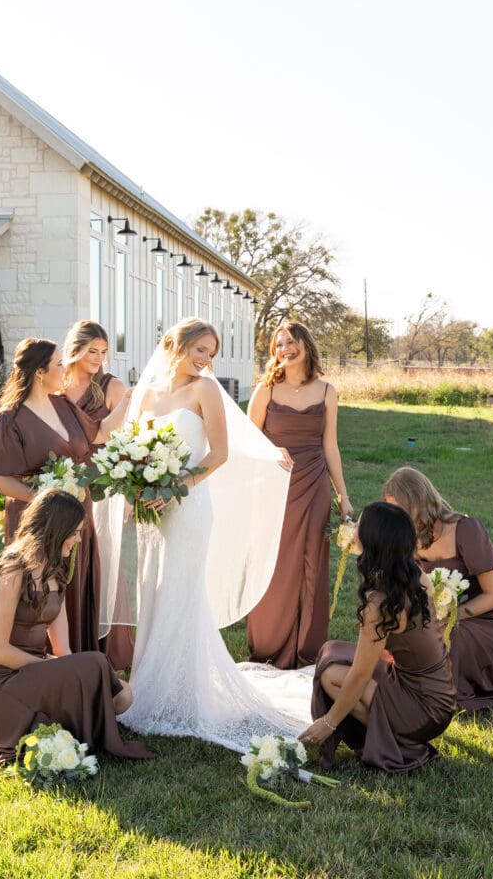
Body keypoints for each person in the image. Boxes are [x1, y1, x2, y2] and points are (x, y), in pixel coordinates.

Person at [116, 318, 311, 751]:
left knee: (181, 591)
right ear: (175, 344)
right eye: (200, 349)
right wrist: (135, 491)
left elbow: (219, 453)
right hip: (151, 509)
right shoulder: (145, 393)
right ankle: (150, 683)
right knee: (153, 589)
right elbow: (131, 449)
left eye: (211, 353)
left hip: (188, 508)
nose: (205, 360)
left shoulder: (205, 391)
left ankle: (184, 695)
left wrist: (177, 488)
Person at [0, 489, 151, 763]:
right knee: (95, 663)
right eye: (75, 532)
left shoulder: (55, 573)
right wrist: (54, 669)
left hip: (34, 673)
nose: (79, 539)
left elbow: (64, 652)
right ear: (55, 530)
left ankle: (73, 720)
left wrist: (74, 679)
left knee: (123, 694)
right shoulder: (11, 571)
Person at [0, 337, 126, 654]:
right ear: (41, 372)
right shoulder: (9, 419)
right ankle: (34, 664)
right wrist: (39, 496)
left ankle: (77, 661)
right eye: (59, 364)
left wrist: (131, 401)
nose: (64, 369)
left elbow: (99, 433)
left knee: (74, 584)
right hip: (39, 522)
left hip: (75, 517)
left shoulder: (62, 405)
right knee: (39, 585)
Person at [300, 501, 457, 772]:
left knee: (331, 675)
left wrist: (328, 723)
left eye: (360, 525)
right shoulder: (414, 573)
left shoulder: (380, 604)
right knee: (332, 652)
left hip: (423, 709)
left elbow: (361, 676)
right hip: (440, 693)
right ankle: (390, 733)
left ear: (373, 542)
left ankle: (396, 742)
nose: (355, 528)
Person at [382, 467, 493, 712]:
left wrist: (451, 616)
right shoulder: (406, 535)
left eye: (400, 509)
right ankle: (408, 686)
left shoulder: (466, 530)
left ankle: (438, 692)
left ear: (419, 501)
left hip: (485, 620)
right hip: (437, 614)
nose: (396, 518)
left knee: (444, 634)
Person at [247, 320, 354, 668]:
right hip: (273, 489)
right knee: (276, 564)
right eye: (278, 344)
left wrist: (343, 495)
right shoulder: (265, 390)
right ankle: (268, 644)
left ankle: (307, 650)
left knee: (311, 567)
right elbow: (248, 444)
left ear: (306, 344)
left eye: (291, 342)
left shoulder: (327, 392)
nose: (284, 349)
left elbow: (332, 446)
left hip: (314, 487)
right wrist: (272, 451)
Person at [62, 320, 134, 671]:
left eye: (103, 352)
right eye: (92, 351)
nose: (98, 358)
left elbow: (126, 443)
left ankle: (110, 653)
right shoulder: (56, 383)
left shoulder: (111, 385)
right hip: (61, 479)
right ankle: (67, 643)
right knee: (65, 555)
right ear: (75, 348)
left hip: (102, 482)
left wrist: (129, 495)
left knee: (104, 559)